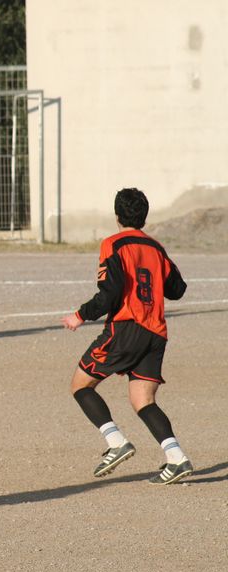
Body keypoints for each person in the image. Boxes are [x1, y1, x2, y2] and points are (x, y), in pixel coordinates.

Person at [61, 187, 191, 485]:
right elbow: (178, 289)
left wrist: (80, 315)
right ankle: (177, 458)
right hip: (155, 333)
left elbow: (110, 293)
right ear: (144, 216)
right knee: (142, 400)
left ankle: (116, 442)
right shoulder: (156, 247)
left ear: (117, 215)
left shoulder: (113, 244)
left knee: (80, 385)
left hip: (127, 328)